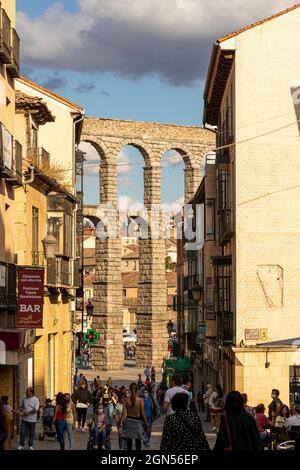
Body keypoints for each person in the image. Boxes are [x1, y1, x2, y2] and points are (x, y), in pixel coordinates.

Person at [120, 382, 150, 451]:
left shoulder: (125, 400)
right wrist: (147, 425)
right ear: (137, 390)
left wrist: (120, 423)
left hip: (128, 422)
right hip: (138, 423)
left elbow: (124, 413)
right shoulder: (140, 400)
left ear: (130, 390)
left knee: (129, 444)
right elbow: (143, 414)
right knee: (138, 444)